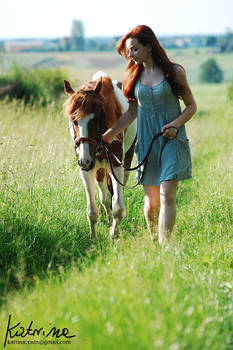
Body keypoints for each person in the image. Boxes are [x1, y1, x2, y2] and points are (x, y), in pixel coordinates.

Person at [102, 25, 197, 245]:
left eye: (135, 49)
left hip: (172, 139)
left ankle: (166, 245)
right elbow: (132, 112)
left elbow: (191, 106)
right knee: (152, 201)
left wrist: (175, 125)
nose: (131, 55)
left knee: (167, 193)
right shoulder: (134, 77)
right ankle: (154, 241)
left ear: (149, 45)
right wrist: (109, 134)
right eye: (128, 51)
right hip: (146, 143)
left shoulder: (174, 73)